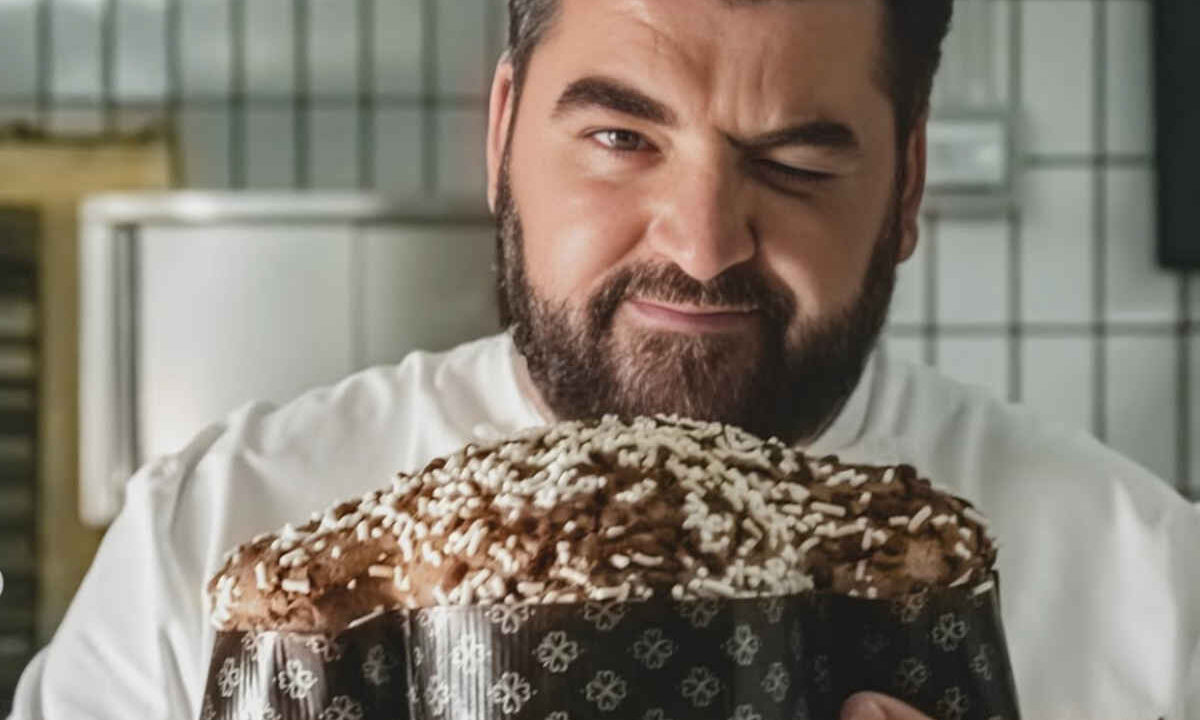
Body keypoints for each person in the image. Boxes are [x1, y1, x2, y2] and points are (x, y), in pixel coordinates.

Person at [10, 0, 1200, 718]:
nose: (701, 242)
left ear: (907, 188)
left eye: (796, 163)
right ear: (502, 139)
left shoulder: (1143, 586)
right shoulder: (217, 540)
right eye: (621, 138)